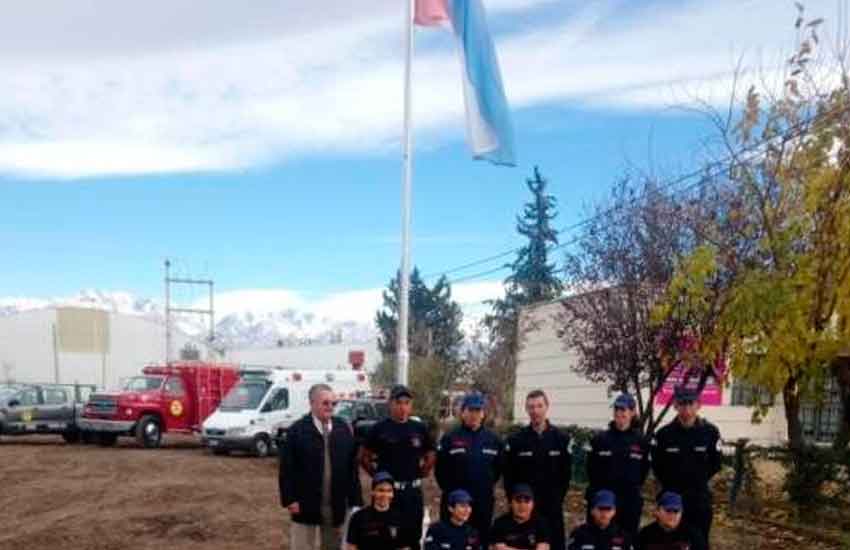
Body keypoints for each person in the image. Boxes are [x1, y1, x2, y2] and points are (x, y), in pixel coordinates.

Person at [280, 383, 362, 550]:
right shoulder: (297, 431)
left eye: (333, 403)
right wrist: (290, 499)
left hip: (336, 501)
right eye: (325, 403)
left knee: (334, 545)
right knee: (303, 545)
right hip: (305, 501)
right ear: (312, 403)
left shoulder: (343, 429)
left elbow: (351, 468)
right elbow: (287, 469)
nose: (330, 407)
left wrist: (355, 499)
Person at [360, 384, 436, 550]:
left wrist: (424, 471)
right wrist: (378, 477)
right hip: (387, 494)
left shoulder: (419, 428)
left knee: (412, 536)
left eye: (407, 402)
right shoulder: (379, 428)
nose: (403, 407)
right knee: (384, 535)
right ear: (390, 404)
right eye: (399, 402)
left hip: (412, 493)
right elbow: (364, 457)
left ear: (411, 405)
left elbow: (430, 454)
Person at [651, 386, 721, 547]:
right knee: (670, 541)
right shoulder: (663, 434)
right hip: (672, 498)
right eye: (682, 404)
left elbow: (716, 463)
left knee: (700, 541)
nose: (687, 409)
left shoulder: (710, 432)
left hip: (699, 498)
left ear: (699, 405)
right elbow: (657, 465)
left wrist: (698, 479)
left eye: (691, 404)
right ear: (675, 405)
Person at [503, 389, 572, 550]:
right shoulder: (516, 440)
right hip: (525, 507)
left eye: (539, 406)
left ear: (547, 407)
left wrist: (556, 497)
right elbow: (508, 476)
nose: (535, 411)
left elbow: (566, 474)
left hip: (552, 506)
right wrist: (516, 502)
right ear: (527, 409)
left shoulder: (561, 439)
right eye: (531, 407)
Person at [435, 392, 503, 548]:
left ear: (483, 413)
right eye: (470, 410)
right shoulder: (450, 438)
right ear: (462, 412)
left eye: (478, 411)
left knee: (481, 541)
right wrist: (453, 494)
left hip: (482, 503)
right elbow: (440, 472)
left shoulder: (494, 440)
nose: (474, 414)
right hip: (455, 504)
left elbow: (497, 470)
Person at [586, 393, 650, 537]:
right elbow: (591, 469)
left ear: (633, 412)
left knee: (627, 540)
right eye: (617, 409)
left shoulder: (641, 441)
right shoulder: (600, 439)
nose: (619, 413)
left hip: (629, 502)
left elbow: (643, 471)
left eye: (624, 409)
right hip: (603, 502)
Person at [346, 471, 413, 550]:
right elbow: (351, 547)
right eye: (381, 490)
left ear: (393, 494)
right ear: (373, 492)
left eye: (389, 491)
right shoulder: (358, 517)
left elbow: (405, 548)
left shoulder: (401, 518)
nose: (385, 495)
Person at [636, 492, 706, 550]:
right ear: (657, 512)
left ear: (681, 513)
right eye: (668, 510)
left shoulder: (693, 536)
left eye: (676, 511)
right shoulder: (645, 535)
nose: (672, 515)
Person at [490, 483, 550, 550]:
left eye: (527, 501)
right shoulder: (500, 523)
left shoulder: (541, 523)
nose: (522, 505)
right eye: (518, 501)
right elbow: (499, 548)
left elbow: (543, 547)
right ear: (510, 503)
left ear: (533, 504)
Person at [567, 490, 633, 550]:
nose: (604, 513)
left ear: (614, 511)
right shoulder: (579, 535)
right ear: (592, 511)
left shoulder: (623, 537)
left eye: (608, 509)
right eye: (600, 509)